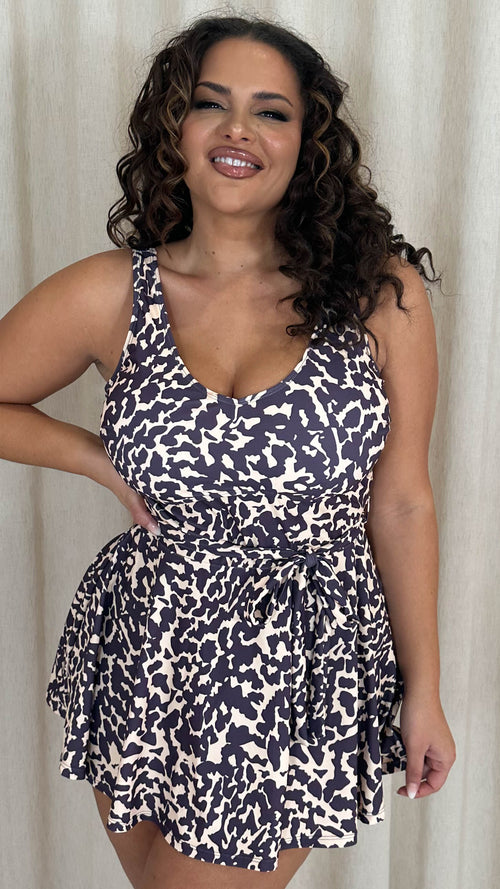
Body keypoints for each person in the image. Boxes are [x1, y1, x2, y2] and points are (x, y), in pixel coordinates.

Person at [0, 13, 456, 889]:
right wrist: (95, 457)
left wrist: (422, 687)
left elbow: (401, 500)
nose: (238, 129)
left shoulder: (378, 295)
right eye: (211, 103)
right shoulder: (114, 293)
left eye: (271, 111)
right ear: (174, 127)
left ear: (307, 142)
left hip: (299, 668)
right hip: (144, 648)